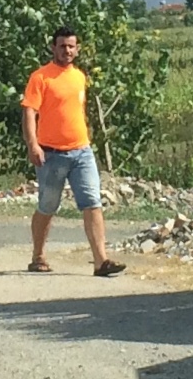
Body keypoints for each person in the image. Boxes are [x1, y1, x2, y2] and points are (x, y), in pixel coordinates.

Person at [21, 27, 125, 277]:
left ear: (77, 49)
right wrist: (33, 144)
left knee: (92, 202)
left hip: (81, 151)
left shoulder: (79, 76)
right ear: (53, 48)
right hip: (51, 154)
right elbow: (29, 112)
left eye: (71, 46)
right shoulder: (41, 77)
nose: (67, 50)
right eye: (62, 46)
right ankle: (38, 256)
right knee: (48, 205)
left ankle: (101, 261)